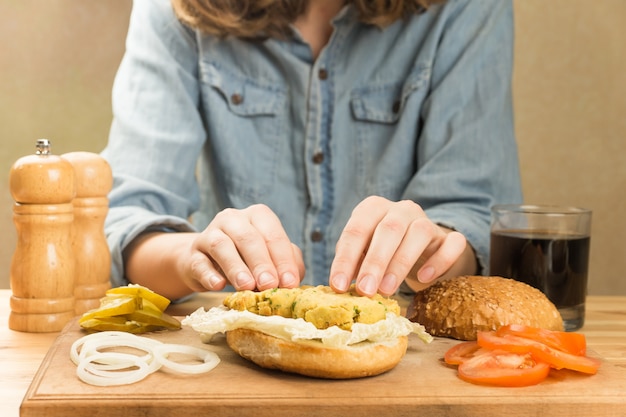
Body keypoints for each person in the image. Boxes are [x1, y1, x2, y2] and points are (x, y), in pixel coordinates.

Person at [101, 0, 522, 302]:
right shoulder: (174, 9)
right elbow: (127, 219)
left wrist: (437, 250)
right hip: (228, 358)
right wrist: (187, 257)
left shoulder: (467, 8)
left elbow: (478, 216)